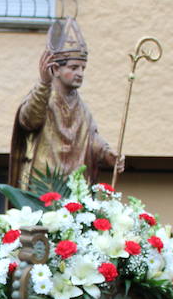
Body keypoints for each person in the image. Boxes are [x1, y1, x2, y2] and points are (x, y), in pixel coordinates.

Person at [9, 16, 120, 189]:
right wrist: (44, 83)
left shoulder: (82, 108)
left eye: (83, 68)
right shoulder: (43, 96)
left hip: (73, 186)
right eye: (74, 67)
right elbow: (29, 121)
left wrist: (107, 153)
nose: (80, 73)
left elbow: (90, 138)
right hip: (43, 184)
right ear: (56, 69)